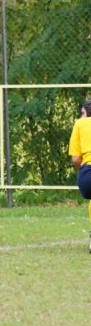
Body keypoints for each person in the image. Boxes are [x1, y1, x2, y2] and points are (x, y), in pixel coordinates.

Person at [68, 99, 91, 252]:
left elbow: (76, 159)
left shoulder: (80, 124)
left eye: (83, 113)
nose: (82, 117)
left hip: (87, 174)